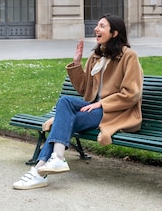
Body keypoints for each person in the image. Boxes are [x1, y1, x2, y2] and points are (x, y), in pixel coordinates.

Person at [13, 14, 143, 190]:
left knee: (62, 124)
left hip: (114, 112)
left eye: (102, 26)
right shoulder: (97, 56)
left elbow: (131, 93)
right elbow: (84, 90)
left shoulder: (129, 56)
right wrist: (76, 63)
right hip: (92, 109)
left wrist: (101, 104)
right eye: (97, 25)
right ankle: (56, 159)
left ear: (114, 33)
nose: (96, 29)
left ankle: (38, 172)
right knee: (66, 102)